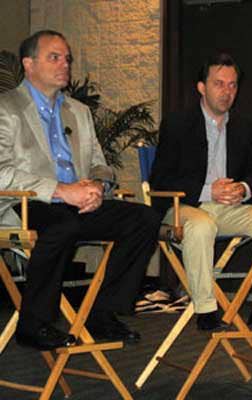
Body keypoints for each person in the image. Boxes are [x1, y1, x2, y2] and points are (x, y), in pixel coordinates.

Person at [0, 30, 161, 350]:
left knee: (145, 219)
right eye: (54, 57)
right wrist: (61, 190)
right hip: (28, 202)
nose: (65, 64)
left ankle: (102, 312)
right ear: (29, 64)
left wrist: (97, 186)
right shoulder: (7, 108)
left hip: (78, 203)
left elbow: (101, 165)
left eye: (67, 58)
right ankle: (33, 324)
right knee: (62, 224)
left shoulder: (78, 111)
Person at [150, 53, 252, 331]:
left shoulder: (245, 125)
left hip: (228, 208)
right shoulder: (178, 123)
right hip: (185, 207)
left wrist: (244, 188)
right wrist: (208, 191)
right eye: (219, 84)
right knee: (202, 226)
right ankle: (205, 310)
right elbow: (161, 179)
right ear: (201, 87)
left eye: (232, 85)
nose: (227, 92)